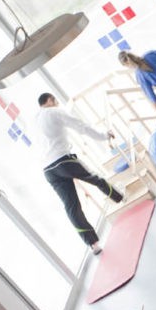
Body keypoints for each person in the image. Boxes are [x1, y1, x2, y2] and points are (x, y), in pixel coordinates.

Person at [36, 93, 123, 255]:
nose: (57, 104)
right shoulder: (55, 111)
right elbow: (81, 127)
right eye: (56, 101)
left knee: (71, 207)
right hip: (63, 161)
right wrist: (104, 136)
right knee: (94, 178)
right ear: (50, 101)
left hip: (48, 171)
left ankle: (93, 244)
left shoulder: (36, 119)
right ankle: (119, 197)